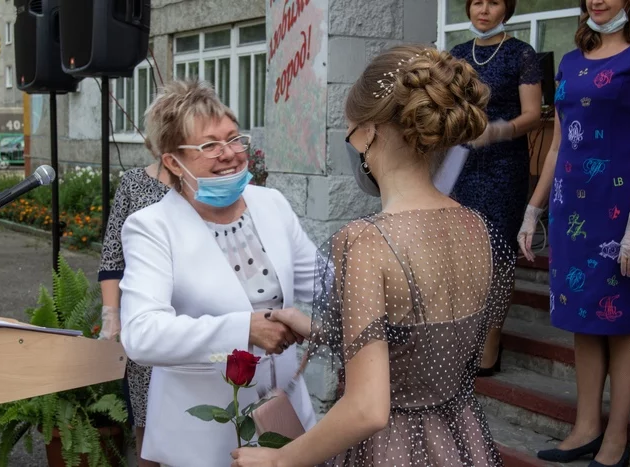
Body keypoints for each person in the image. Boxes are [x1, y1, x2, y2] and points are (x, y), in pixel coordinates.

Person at [230, 44, 516, 467]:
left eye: (349, 132)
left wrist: (280, 460)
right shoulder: (479, 227)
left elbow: (367, 408)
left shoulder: (367, 240)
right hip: (461, 438)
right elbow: (419, 339)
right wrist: (315, 328)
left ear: (368, 133)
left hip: (393, 448)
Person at [117, 79, 317, 466]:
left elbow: (321, 284)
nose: (230, 154)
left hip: (284, 417)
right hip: (200, 437)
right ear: (173, 161)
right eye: (209, 145)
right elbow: (142, 334)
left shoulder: (271, 203)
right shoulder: (152, 227)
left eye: (234, 139)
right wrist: (242, 329)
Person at [517, 1, 630, 466]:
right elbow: (556, 144)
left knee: (626, 319)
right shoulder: (570, 62)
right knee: (583, 317)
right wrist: (534, 208)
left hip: (621, 211)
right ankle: (587, 425)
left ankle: (616, 436)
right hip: (573, 210)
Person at [449, 0, 543, 376]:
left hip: (505, 165)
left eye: (493, 2)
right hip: (462, 164)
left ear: (507, 9)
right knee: (464, 254)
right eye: (477, 2)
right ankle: (464, 336)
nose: (483, 10)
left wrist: (502, 130)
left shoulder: (522, 53)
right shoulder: (455, 55)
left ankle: (491, 341)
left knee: (499, 255)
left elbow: (534, 114)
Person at [98, 143, 172, 467]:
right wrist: (111, 316)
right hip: (146, 323)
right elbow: (113, 255)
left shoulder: (205, 186)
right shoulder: (132, 183)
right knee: (146, 423)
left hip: (195, 320)